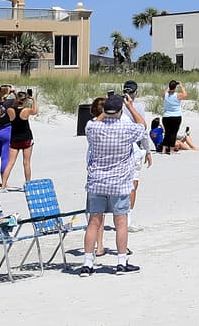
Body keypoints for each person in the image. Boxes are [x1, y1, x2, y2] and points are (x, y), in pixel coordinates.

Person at [80, 93, 147, 275]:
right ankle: (121, 261)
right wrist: (130, 107)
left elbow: (93, 122)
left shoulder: (93, 128)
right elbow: (142, 125)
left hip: (97, 183)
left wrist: (105, 113)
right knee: (121, 222)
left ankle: (87, 263)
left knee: (94, 222)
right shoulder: (126, 129)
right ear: (119, 110)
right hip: (119, 183)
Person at [121, 80, 154, 231]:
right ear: (135, 92)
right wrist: (148, 150)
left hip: (119, 148)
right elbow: (143, 131)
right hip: (134, 149)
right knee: (133, 184)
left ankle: (122, 218)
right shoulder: (138, 107)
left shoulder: (116, 105)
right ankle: (127, 220)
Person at [0, 90, 38, 190]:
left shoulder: (10, 110)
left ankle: (3, 185)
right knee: (26, 163)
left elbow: (4, 102)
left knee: (10, 162)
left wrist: (12, 94)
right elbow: (35, 111)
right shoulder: (26, 111)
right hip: (26, 138)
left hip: (15, 139)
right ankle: (28, 184)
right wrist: (34, 100)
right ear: (25, 101)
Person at [161, 80, 187, 155]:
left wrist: (169, 87)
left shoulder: (165, 95)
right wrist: (181, 86)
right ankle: (171, 150)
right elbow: (185, 94)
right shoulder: (177, 95)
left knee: (167, 133)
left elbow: (164, 93)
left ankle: (163, 149)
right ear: (175, 87)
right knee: (173, 133)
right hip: (176, 116)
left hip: (166, 117)